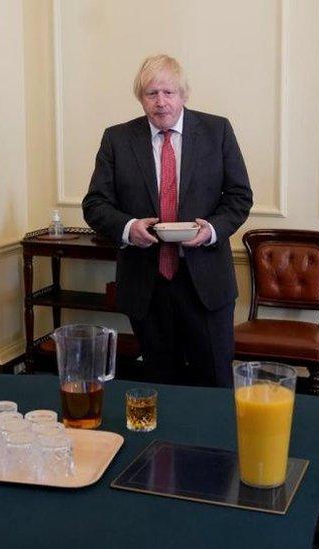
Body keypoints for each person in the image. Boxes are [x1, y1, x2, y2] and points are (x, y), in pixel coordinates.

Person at [82, 54, 253, 387]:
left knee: (216, 381)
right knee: (161, 384)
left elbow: (239, 196)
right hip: (147, 285)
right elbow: (95, 204)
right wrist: (130, 228)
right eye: (151, 93)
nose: (160, 102)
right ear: (141, 98)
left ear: (184, 94)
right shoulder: (117, 139)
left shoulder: (216, 131)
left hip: (205, 283)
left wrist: (211, 230)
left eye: (168, 93)